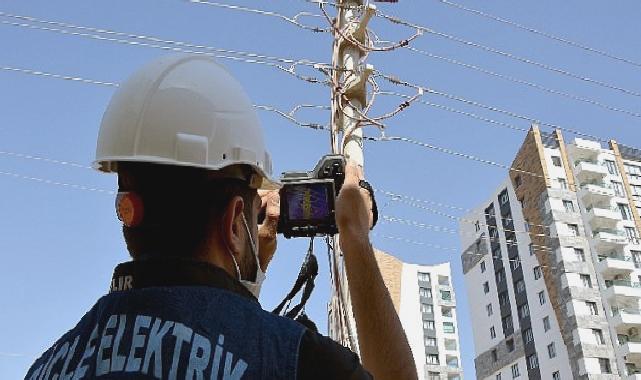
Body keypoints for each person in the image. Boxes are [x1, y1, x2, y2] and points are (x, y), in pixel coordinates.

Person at [25, 55, 417, 380]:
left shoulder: (48, 367)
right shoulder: (294, 359)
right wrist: (355, 238)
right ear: (233, 222)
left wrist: (244, 283)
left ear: (128, 208)